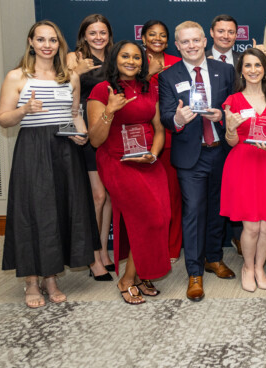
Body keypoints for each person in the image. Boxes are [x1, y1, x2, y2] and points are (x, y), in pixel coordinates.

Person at [0, 20, 98, 308]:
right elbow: (4, 117)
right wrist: (24, 109)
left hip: (65, 149)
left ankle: (51, 278)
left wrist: (82, 134)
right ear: (31, 42)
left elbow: (74, 113)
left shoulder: (70, 77)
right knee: (32, 211)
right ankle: (31, 281)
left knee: (59, 209)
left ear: (59, 44)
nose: (46, 45)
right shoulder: (17, 76)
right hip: (32, 147)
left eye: (52, 40)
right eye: (40, 39)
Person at [88, 40, 171, 304]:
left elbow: (158, 128)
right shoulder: (103, 89)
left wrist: (155, 154)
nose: (131, 61)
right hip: (117, 161)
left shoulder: (149, 87)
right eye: (125, 56)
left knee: (161, 216)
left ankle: (141, 272)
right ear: (115, 59)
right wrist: (110, 111)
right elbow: (95, 140)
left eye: (136, 57)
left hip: (147, 159)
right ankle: (127, 278)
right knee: (147, 215)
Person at [158, 21, 236, 301]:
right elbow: (167, 116)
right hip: (191, 157)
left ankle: (213, 258)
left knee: (218, 209)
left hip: (221, 152)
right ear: (177, 46)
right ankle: (194, 272)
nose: (191, 45)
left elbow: (238, 106)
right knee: (193, 213)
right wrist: (177, 119)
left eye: (195, 40)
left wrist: (223, 117)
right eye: (185, 42)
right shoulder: (168, 77)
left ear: (205, 41)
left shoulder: (225, 70)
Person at [221, 48, 266, 292]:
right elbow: (230, 140)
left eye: (258, 65)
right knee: (251, 226)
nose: (253, 70)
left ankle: (260, 267)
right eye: (248, 66)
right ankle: (247, 268)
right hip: (243, 165)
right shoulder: (233, 101)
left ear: (265, 69)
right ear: (241, 70)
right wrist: (231, 129)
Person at [65, 13, 115, 280]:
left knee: (107, 195)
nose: (98, 37)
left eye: (103, 33)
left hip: (109, 128)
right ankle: (93, 257)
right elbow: (63, 89)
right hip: (85, 129)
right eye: (93, 33)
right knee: (97, 196)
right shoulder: (74, 58)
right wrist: (75, 72)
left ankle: (105, 253)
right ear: (84, 35)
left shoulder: (114, 56)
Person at [142, 20, 183, 263]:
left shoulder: (177, 64)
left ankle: (172, 248)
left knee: (172, 197)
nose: (157, 39)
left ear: (168, 41)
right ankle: (146, 248)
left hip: (170, 138)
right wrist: (149, 73)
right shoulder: (133, 61)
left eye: (162, 36)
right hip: (139, 138)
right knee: (147, 201)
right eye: (152, 35)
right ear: (143, 38)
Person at [204, 14, 243, 255]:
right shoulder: (199, 58)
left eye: (230, 32)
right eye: (221, 31)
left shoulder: (244, 60)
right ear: (211, 32)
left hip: (240, 135)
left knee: (239, 189)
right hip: (208, 139)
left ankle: (240, 238)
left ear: (236, 35)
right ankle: (213, 249)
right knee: (213, 196)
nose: (225, 36)